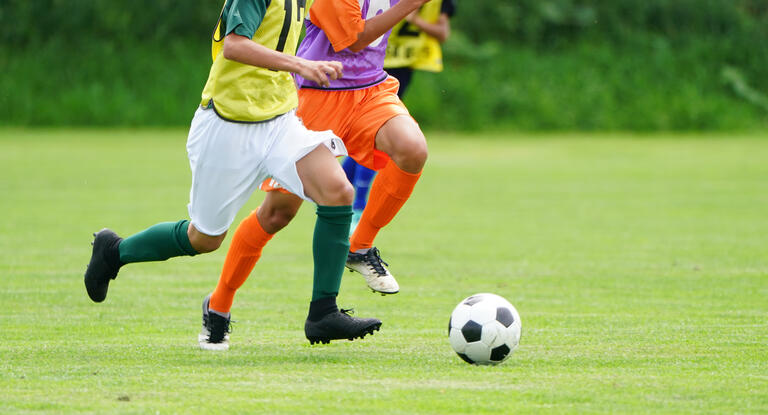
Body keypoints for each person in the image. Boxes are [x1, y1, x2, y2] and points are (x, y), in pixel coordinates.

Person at [83, 0, 382, 351]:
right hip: (228, 125)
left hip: (279, 121)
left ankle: (323, 313)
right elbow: (235, 45)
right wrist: (301, 64)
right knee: (204, 238)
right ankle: (114, 252)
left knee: (337, 190)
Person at [206, 0, 432, 332]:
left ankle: (360, 246)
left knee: (412, 150)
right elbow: (355, 39)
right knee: (277, 213)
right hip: (318, 94)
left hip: (371, 89)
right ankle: (218, 303)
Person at [341, 0, 456, 234]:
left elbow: (442, 33)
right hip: (372, 62)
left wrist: (413, 17)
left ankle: (341, 192)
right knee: (375, 135)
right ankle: (356, 205)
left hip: (400, 65)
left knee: (375, 134)